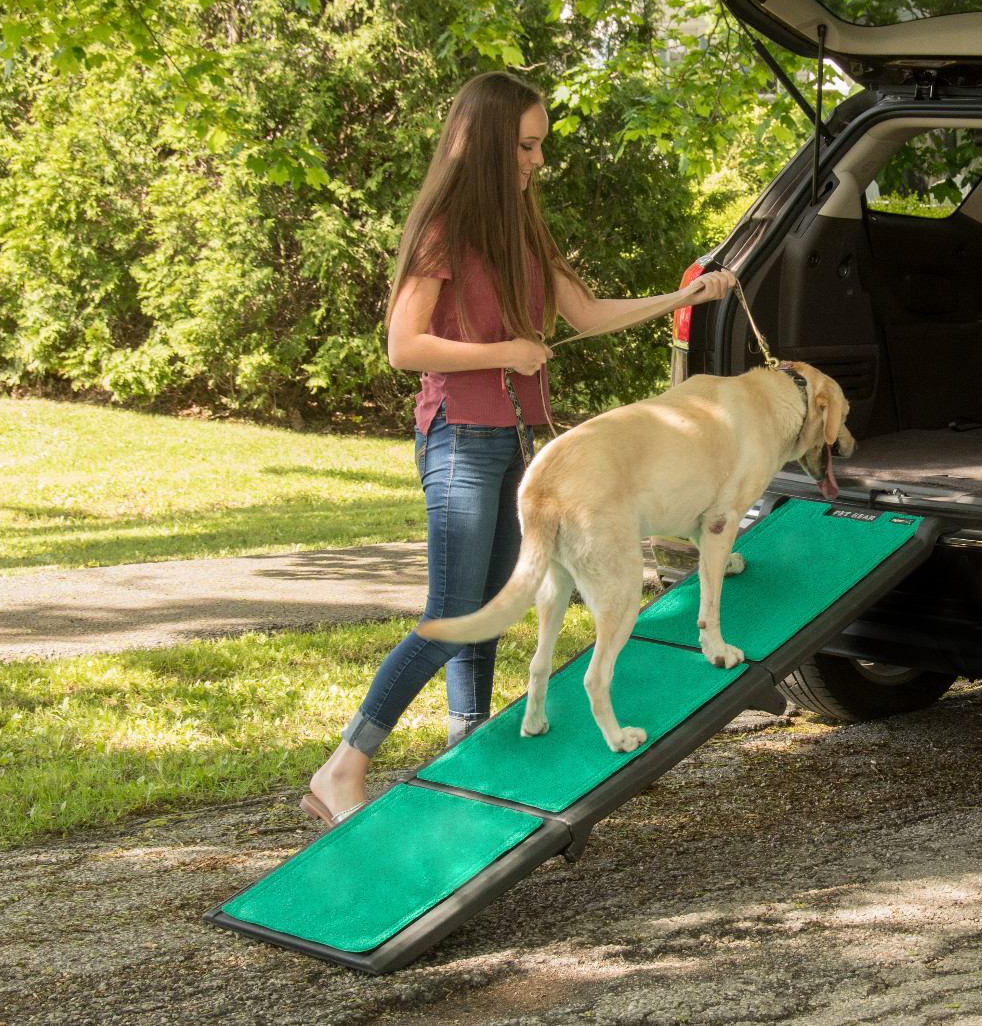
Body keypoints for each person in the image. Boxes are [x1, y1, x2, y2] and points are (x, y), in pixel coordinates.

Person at [302, 71, 736, 826]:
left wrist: (683, 299)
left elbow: (587, 312)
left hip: (516, 444)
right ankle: (342, 769)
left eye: (539, 145)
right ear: (491, 143)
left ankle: (466, 748)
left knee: (493, 608)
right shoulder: (444, 226)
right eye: (527, 145)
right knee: (453, 612)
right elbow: (405, 345)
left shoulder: (525, 227)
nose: (537, 160)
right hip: (459, 440)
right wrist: (505, 349)